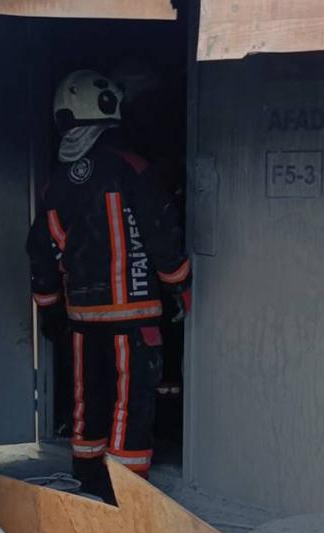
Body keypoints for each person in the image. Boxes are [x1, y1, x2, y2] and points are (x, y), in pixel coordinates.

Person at [26, 69, 191, 503]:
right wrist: (180, 282)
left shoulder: (55, 185)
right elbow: (160, 230)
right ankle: (126, 496)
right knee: (130, 404)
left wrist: (49, 307)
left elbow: (41, 251)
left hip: (82, 320)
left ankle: (87, 481)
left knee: (88, 402)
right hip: (133, 317)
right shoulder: (131, 168)